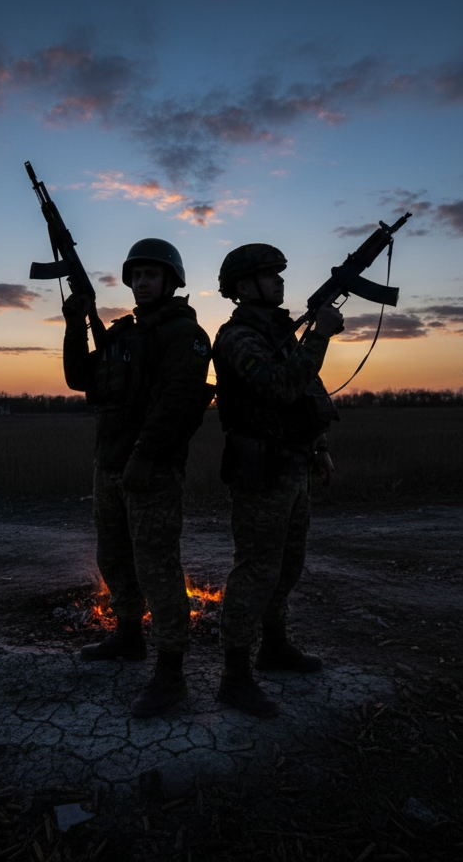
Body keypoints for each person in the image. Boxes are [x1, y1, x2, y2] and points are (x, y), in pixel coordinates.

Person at [61, 238, 212, 718]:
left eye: (152, 274)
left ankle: (171, 672)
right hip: (109, 465)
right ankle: (128, 636)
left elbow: (179, 401)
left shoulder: (185, 334)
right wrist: (74, 326)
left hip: (152, 469)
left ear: (171, 280)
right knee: (113, 556)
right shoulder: (124, 333)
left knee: (157, 568)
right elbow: (79, 377)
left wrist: (145, 456)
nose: (142, 283)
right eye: (137, 275)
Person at [211, 243, 344, 718]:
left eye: (279, 273)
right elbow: (280, 386)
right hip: (261, 470)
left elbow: (307, 393)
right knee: (255, 571)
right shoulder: (237, 338)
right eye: (270, 274)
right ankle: (234, 677)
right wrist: (320, 336)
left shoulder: (279, 333)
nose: (280, 280)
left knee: (288, 565)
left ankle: (274, 646)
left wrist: (320, 447)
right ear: (244, 287)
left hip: (294, 464)